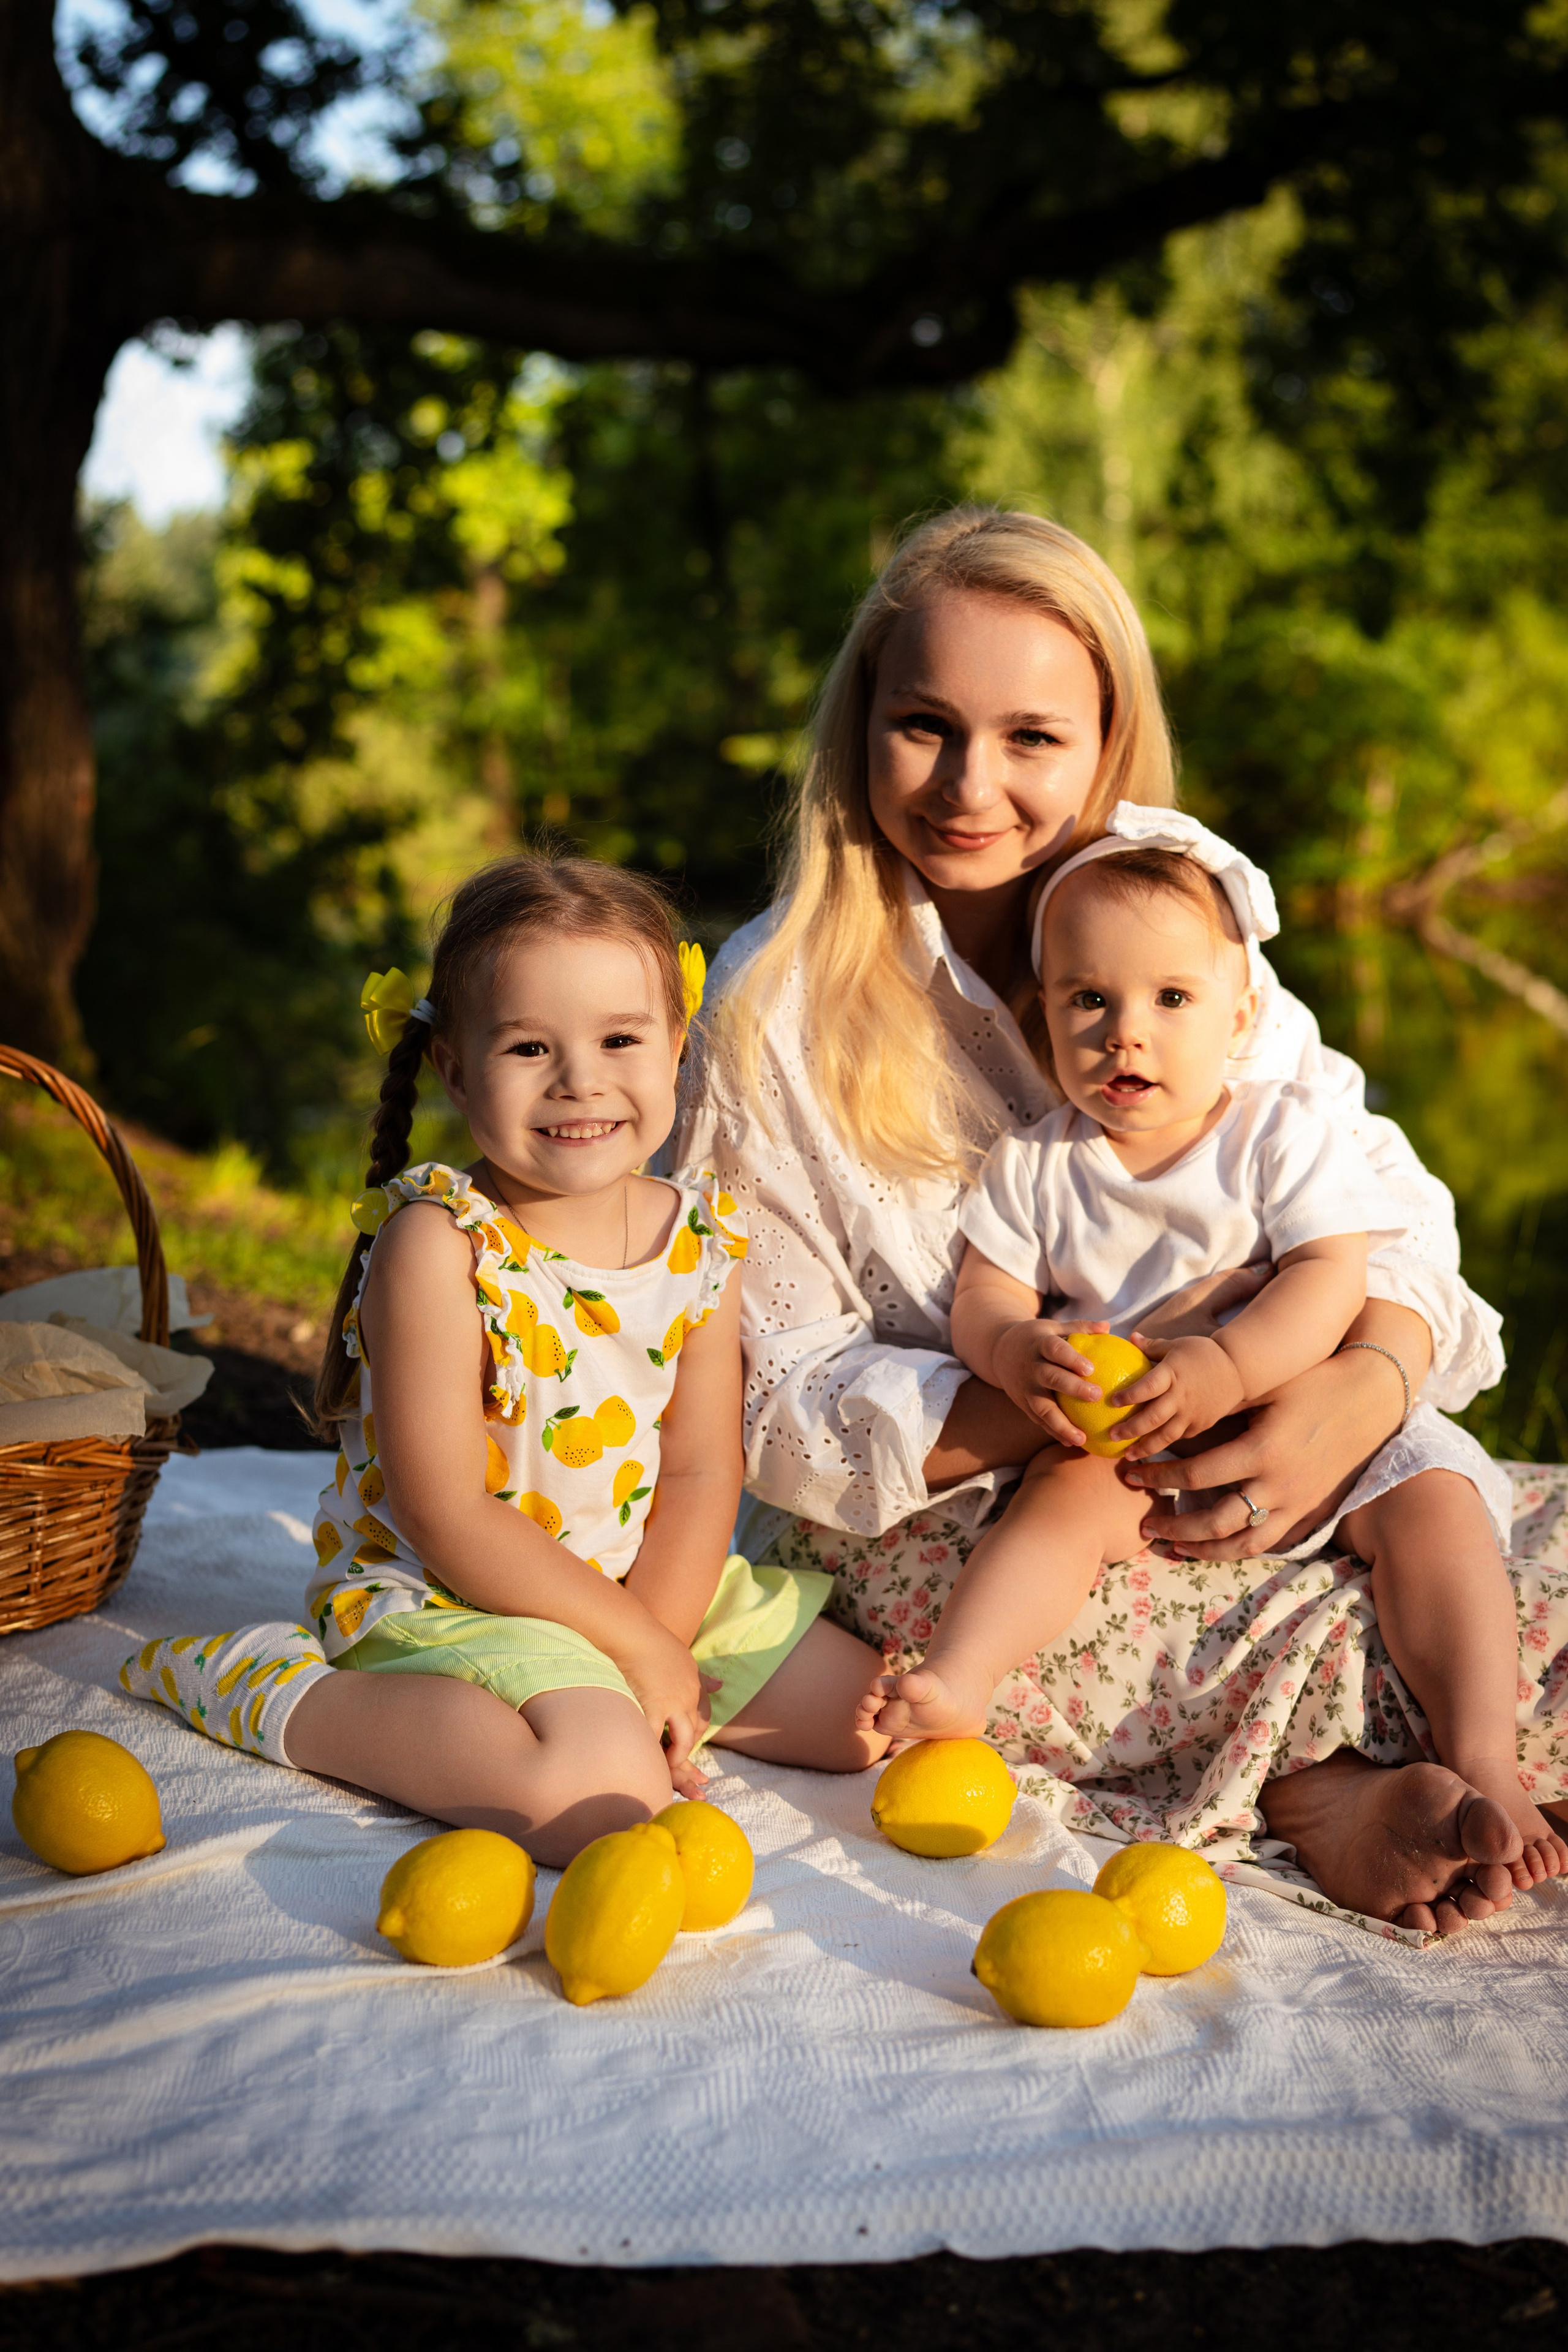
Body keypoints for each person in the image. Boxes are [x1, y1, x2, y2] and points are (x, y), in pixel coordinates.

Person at [676, 503, 1568, 1938]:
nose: (971, 785)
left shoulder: (1174, 927)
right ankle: (1323, 1787)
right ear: (858, 732)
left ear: (1103, 745)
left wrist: (1354, 1386)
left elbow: (1381, 1213)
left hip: (1268, 1425)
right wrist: (1056, 1394)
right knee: (1194, 1605)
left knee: (1459, 1520)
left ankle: (1395, 1775)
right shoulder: (772, 1009)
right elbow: (774, 1407)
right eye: (923, 725)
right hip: (979, 1507)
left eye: (1031, 736)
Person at [121, 857, 886, 1866]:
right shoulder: (440, 1247)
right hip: (455, 1592)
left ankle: (614, 1692)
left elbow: (703, 1468)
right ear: (453, 1066)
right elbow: (448, 1512)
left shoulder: (702, 1237)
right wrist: (635, 1661)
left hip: (624, 1585)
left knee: (862, 1719)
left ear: (676, 1050)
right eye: (531, 1046)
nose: (582, 1079)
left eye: (621, 1038)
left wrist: (650, 1641)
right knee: (596, 1796)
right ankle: (290, 1695)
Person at [858, 810, 1566, 1891]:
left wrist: (1235, 1367)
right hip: (1140, 1443)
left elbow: (1333, 1272)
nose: (1124, 1033)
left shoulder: (1274, 1132)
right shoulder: (1038, 1163)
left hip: (1306, 1410)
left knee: (1436, 1504)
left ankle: (1484, 1757)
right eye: (1088, 1000)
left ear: (1240, 1015)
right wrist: (1011, 1350)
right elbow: (985, 1294)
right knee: (1060, 1504)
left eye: (1170, 1001)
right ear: (1044, 1013)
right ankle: (963, 1675)